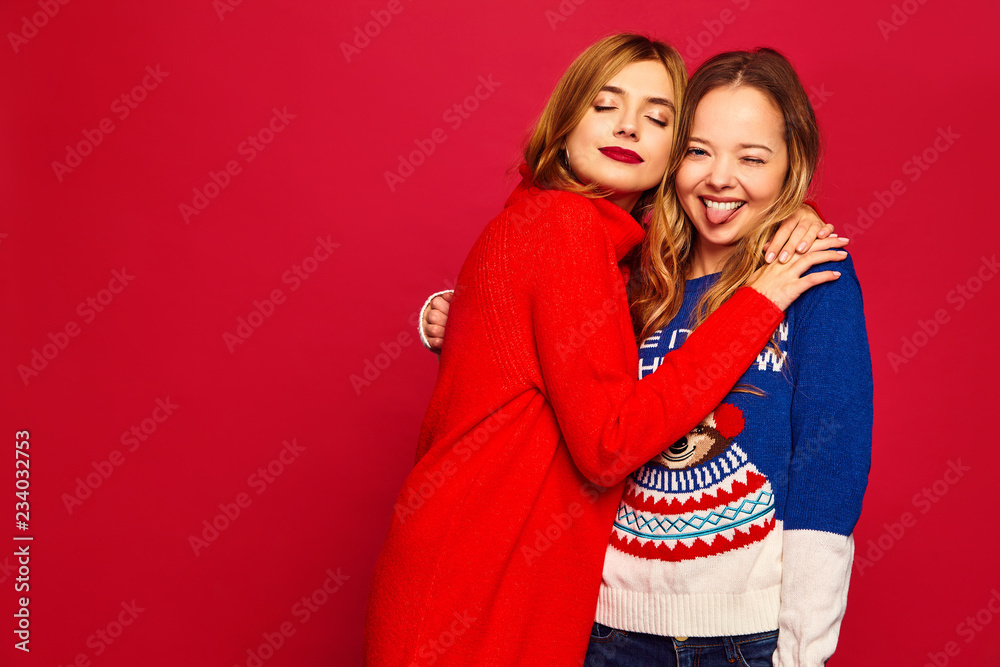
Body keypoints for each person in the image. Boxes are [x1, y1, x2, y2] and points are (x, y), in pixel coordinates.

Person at [366, 34, 848, 666]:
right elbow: (609, 443)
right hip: (486, 582)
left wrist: (797, 216)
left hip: (513, 577)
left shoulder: (608, 249)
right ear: (565, 119)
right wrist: (757, 300)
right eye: (605, 105)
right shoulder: (569, 230)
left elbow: (830, 462)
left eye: (657, 118)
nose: (628, 127)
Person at [580, 48, 872, 666]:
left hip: (748, 640)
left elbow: (832, 467)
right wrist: (456, 313)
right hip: (608, 630)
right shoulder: (630, 273)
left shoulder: (813, 277)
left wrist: (800, 651)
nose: (720, 177)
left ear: (793, 164)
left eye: (752, 158)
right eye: (698, 150)